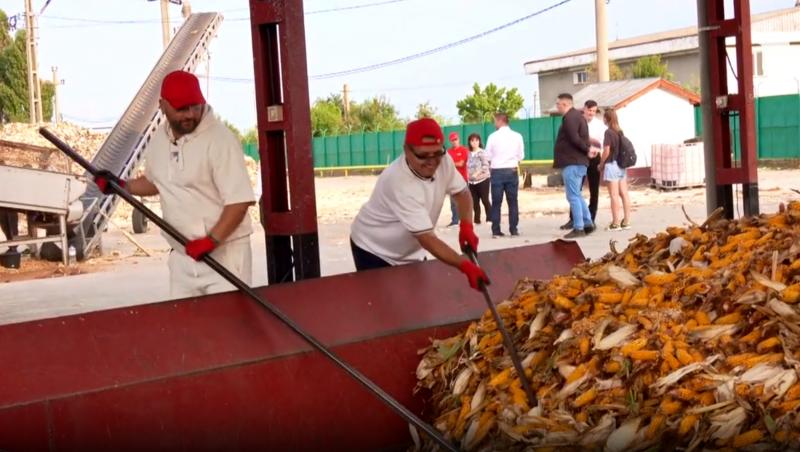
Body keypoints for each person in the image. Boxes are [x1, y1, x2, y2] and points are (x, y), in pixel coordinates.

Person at [93, 70, 256, 298]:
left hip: (225, 257)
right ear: (163, 105)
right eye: (181, 109)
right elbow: (156, 182)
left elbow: (239, 202)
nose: (190, 114)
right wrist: (121, 186)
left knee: (227, 329)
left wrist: (211, 241)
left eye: (195, 106)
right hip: (182, 257)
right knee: (185, 328)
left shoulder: (220, 140)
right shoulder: (160, 139)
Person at [349, 118, 489, 291]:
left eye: (437, 153)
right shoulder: (398, 181)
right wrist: (464, 266)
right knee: (384, 310)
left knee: (418, 300)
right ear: (406, 150)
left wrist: (466, 225)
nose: (432, 161)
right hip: (374, 249)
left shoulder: (444, 160)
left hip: (412, 250)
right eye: (423, 155)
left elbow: (462, 193)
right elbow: (427, 238)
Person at [554, 93, 595, 239]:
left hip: (572, 162)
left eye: (558, 104)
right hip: (578, 162)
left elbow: (574, 138)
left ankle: (579, 227)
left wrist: (587, 149)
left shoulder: (570, 118)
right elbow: (579, 138)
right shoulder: (578, 117)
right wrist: (587, 150)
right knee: (577, 195)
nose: (557, 106)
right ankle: (588, 223)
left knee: (572, 196)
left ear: (565, 104)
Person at [560, 100, 604, 230]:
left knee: (594, 190)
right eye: (589, 110)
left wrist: (587, 139)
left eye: (594, 111)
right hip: (580, 158)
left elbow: (601, 143)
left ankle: (591, 218)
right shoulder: (577, 121)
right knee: (575, 189)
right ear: (584, 109)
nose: (591, 113)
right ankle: (573, 219)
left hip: (595, 158)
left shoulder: (599, 125)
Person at [485, 112, 524, 238]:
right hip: (511, 170)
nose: (494, 124)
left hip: (497, 171)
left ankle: (496, 230)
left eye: (495, 121)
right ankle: (514, 229)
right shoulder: (517, 136)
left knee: (496, 202)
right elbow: (521, 156)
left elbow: (487, 156)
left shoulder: (492, 137)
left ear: (500, 121)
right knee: (513, 202)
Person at [599, 108, 632, 230]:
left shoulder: (608, 132)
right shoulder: (620, 132)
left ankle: (615, 223)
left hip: (612, 165)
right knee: (624, 194)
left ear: (606, 119)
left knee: (613, 195)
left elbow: (606, 150)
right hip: (621, 166)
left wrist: (601, 163)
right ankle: (626, 221)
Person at [466, 133, 491, 224]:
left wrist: (476, 174)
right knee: (474, 202)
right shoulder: (468, 153)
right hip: (471, 182)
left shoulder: (482, 152)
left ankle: (489, 218)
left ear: (479, 141)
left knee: (485, 199)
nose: (474, 142)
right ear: (469, 142)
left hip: (483, 180)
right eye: (472, 140)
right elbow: (466, 166)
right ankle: (477, 220)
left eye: (476, 140)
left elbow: (485, 166)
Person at [447, 132, 469, 227]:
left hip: (462, 179)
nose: (454, 141)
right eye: (452, 140)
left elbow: (461, 164)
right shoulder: (448, 152)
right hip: (451, 179)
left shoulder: (464, 150)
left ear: (458, 139)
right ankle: (455, 220)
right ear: (450, 141)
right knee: (453, 202)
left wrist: (451, 164)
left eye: (456, 139)